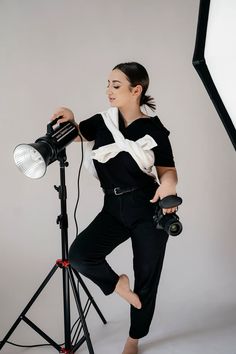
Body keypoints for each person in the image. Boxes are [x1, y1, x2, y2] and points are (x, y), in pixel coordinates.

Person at [51, 62, 178, 354]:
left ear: (137, 90)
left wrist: (169, 185)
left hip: (148, 208)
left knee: (147, 276)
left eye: (116, 85)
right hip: (113, 207)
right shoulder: (102, 121)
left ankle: (134, 339)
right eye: (108, 84)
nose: (109, 91)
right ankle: (117, 284)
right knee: (80, 255)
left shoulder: (155, 129)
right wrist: (71, 119)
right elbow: (77, 134)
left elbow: (168, 171)